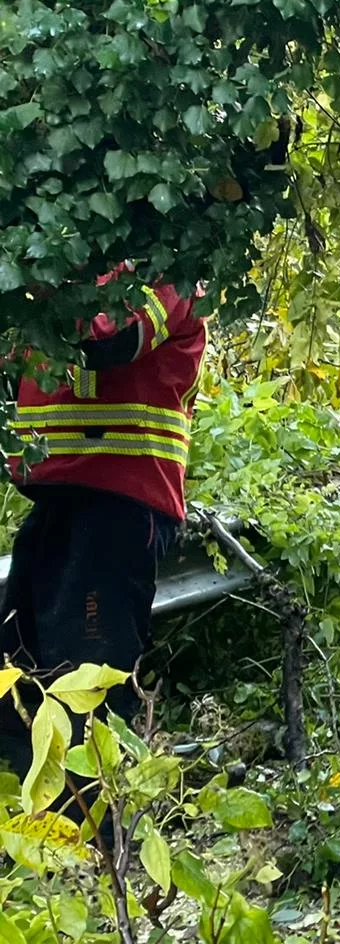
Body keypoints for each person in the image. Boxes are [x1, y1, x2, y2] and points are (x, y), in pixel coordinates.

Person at [0, 275, 206, 773]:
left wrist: (40, 281)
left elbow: (113, 340)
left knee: (89, 678)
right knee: (17, 670)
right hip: (66, 498)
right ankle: (42, 825)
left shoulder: (170, 270)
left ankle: (101, 832)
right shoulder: (81, 272)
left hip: (121, 501)